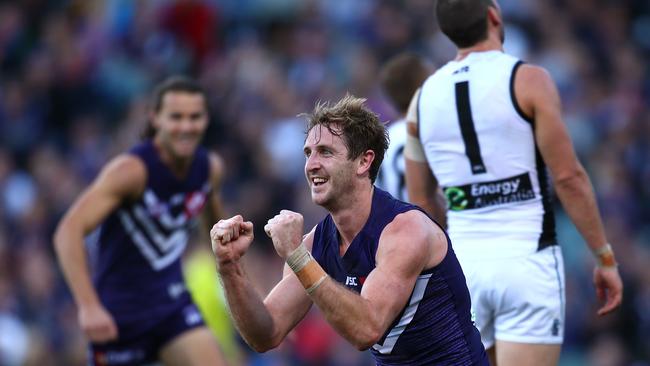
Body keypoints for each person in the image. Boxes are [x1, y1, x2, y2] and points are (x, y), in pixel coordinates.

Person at [404, 1, 624, 365]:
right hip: (527, 259)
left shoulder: (421, 101)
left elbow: (420, 204)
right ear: (494, 15)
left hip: (464, 267)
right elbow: (568, 177)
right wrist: (604, 257)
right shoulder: (529, 80)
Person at [211, 95, 489, 365]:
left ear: (364, 161)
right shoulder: (316, 244)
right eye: (308, 153)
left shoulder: (407, 230)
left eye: (326, 152)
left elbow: (367, 330)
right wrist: (228, 266)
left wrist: (297, 257)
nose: (311, 165)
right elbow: (266, 333)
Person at [53, 76, 228, 366]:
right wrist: (88, 307)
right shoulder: (131, 171)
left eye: (194, 117)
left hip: (173, 307)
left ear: (206, 119)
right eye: (176, 117)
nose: (186, 126)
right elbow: (68, 231)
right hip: (119, 315)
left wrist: (249, 300)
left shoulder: (209, 170)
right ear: (155, 119)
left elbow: (220, 238)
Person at [375, 52, 434, 202]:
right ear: (423, 86)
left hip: (391, 223)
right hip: (427, 221)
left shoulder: (379, 141)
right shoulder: (428, 134)